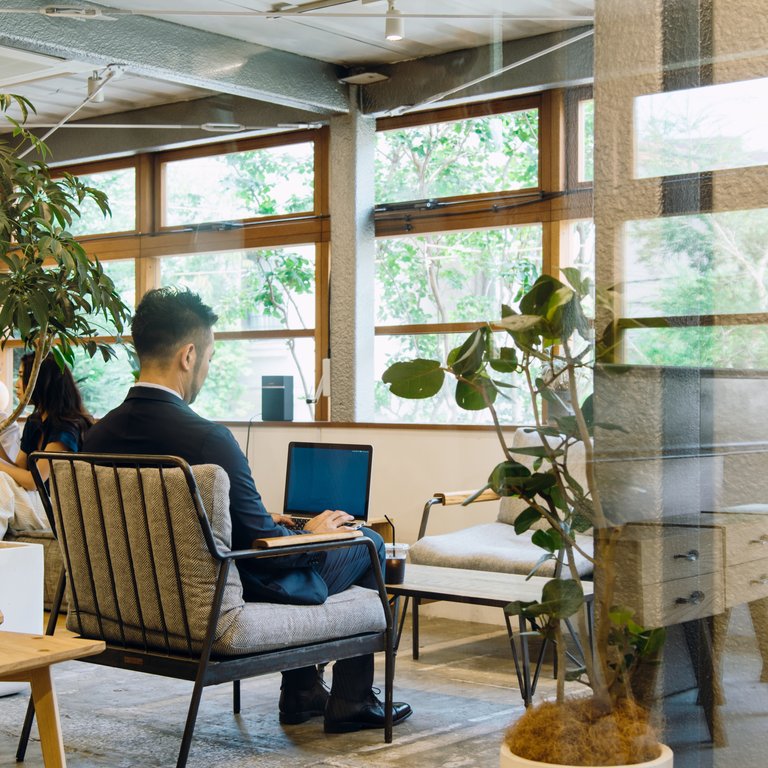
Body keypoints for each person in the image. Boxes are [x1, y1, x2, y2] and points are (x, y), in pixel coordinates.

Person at [83, 286, 412, 734]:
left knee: (300, 536)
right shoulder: (207, 440)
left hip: (129, 605)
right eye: (211, 358)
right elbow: (271, 551)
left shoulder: (95, 439)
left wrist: (267, 522)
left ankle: (303, 692)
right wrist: (313, 534)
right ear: (188, 355)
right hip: (220, 594)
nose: (206, 369)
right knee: (366, 540)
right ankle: (352, 699)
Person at [0, 352, 93, 538]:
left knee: (1, 482)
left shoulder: (66, 427)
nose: (17, 383)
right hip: (38, 501)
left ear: (40, 381)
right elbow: (19, 469)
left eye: (21, 376)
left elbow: (34, 481)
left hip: (59, 508)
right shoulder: (35, 421)